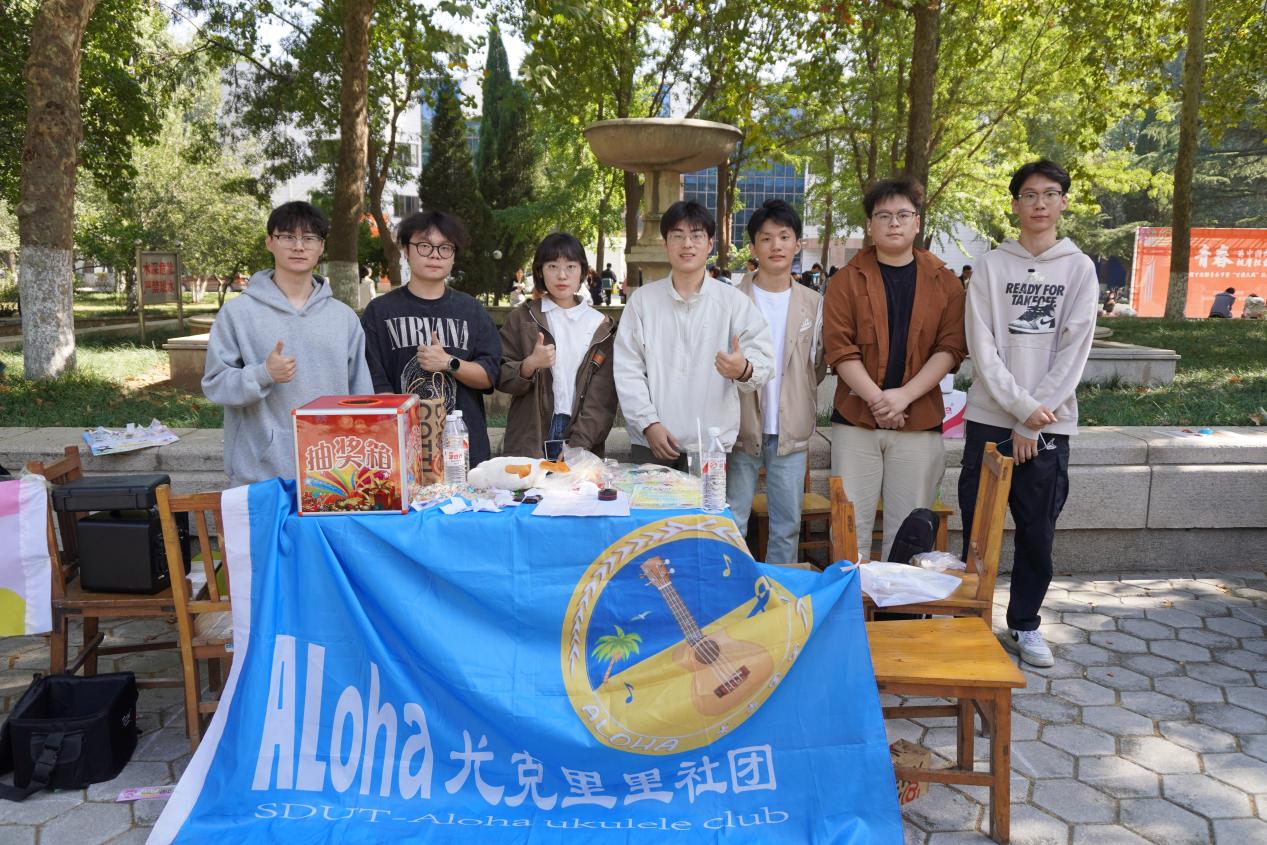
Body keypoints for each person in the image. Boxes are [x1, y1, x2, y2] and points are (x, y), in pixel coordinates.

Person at [958, 159, 1098, 668]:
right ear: (1016, 204)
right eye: (1030, 195)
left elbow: (1075, 350)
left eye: (1050, 194)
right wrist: (1019, 411)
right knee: (979, 528)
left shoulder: (1079, 268)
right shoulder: (991, 266)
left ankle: (1024, 624)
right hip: (990, 419)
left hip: (1049, 425)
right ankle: (971, 619)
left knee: (1038, 532)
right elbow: (982, 346)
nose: (1040, 204)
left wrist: (1031, 420)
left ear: (1063, 202)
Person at [823, 177, 967, 562]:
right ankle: (849, 598)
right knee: (849, 529)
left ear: (917, 222)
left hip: (918, 422)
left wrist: (903, 396)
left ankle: (899, 602)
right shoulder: (845, 280)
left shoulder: (945, 282)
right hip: (856, 421)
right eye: (883, 216)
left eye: (903, 214)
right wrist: (878, 400)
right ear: (870, 225)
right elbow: (839, 349)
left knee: (910, 534)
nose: (894, 223)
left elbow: (951, 348)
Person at [203, 201, 372, 487]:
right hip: (260, 475)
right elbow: (215, 384)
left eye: (309, 238)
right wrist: (263, 374)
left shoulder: (343, 318)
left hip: (334, 474)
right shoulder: (237, 314)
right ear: (270, 242)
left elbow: (362, 395)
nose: (299, 246)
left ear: (321, 247)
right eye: (288, 237)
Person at [614, 200, 774, 470]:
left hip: (710, 445)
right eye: (677, 236)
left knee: (706, 502)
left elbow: (764, 359)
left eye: (696, 235)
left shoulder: (733, 302)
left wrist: (744, 369)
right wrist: (648, 423)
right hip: (652, 443)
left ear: (710, 244)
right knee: (651, 500)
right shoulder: (642, 302)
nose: (687, 244)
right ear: (665, 244)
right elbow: (627, 369)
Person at [360, 210, 502, 467]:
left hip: (462, 452)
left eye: (445, 248)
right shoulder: (380, 312)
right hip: (402, 453)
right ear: (406, 250)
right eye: (424, 246)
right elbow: (375, 384)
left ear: (454, 255)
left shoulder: (471, 311)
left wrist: (449, 362)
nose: (435, 255)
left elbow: (489, 376)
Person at [728, 200, 826, 563]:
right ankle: (734, 588)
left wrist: (797, 397)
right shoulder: (732, 299)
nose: (776, 246)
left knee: (786, 526)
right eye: (766, 238)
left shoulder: (813, 303)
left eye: (784, 237)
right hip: (739, 428)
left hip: (790, 430)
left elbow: (817, 365)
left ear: (797, 243)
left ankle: (778, 594)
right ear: (753, 247)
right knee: (732, 521)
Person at [498, 233, 616, 459]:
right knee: (528, 483)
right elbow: (500, 375)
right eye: (552, 266)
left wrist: (579, 445)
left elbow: (603, 398)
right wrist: (529, 365)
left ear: (582, 271)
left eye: (571, 266)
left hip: (580, 433)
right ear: (540, 271)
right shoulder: (522, 318)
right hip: (530, 434)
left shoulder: (599, 326)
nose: (562, 275)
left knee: (577, 483)